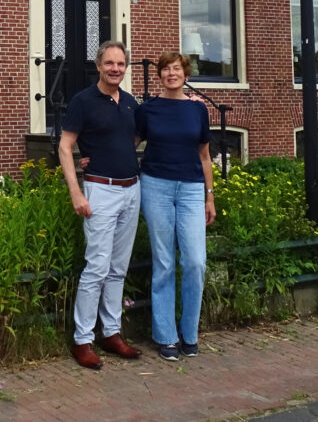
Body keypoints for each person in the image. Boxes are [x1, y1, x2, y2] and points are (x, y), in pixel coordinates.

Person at [57, 40, 143, 370]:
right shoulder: (83, 101)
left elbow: (132, 139)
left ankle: (111, 332)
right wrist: (76, 192)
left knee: (118, 267)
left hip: (131, 190)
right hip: (101, 191)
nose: (115, 69)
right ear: (98, 65)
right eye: (109, 63)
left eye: (121, 64)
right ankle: (82, 339)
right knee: (97, 267)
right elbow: (66, 147)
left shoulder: (131, 103)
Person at [136, 49, 216, 361]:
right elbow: (130, 142)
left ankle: (190, 333)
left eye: (177, 69)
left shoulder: (199, 110)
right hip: (156, 185)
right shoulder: (148, 109)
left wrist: (210, 196)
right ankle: (166, 336)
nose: (172, 74)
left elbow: (205, 156)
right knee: (164, 262)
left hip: (192, 190)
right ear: (159, 75)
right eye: (166, 69)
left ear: (185, 75)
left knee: (195, 261)